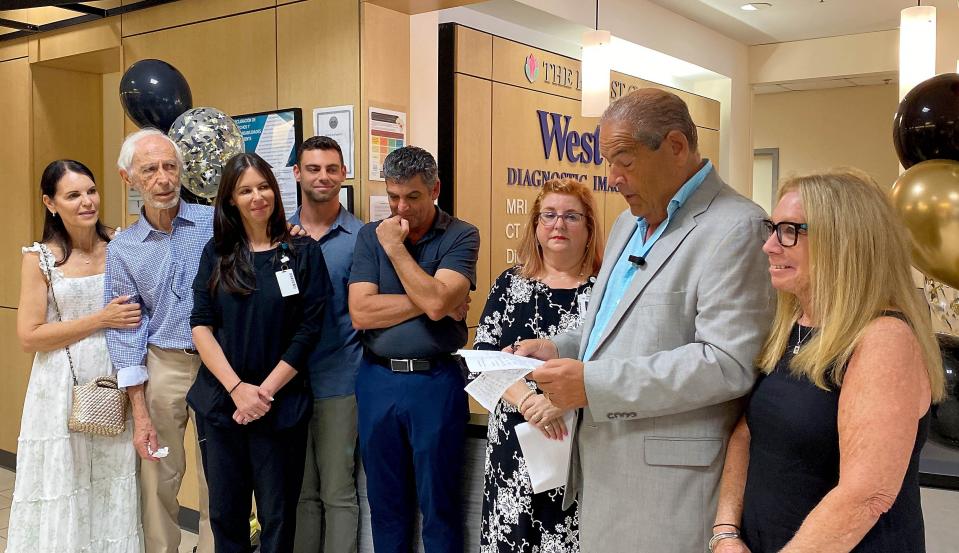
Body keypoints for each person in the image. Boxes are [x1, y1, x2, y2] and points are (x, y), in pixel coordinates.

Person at [515, 88, 775, 552]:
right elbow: (622, 330)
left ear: (676, 146)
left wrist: (591, 385)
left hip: (669, 491)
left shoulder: (737, 227)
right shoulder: (625, 226)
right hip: (603, 471)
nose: (612, 178)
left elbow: (727, 363)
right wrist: (563, 348)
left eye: (624, 161)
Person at [711, 169, 945, 553]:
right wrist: (725, 532)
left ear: (843, 242)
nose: (769, 245)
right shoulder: (792, 325)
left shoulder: (884, 339)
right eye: (773, 228)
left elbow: (865, 496)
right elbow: (748, 433)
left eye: (789, 231)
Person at [188, 152, 329, 553]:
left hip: (280, 407)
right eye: (245, 190)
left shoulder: (303, 253)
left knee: (278, 515)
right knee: (225, 515)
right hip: (222, 405)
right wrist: (237, 389)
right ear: (230, 199)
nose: (257, 196)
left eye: (264, 186)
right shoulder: (217, 253)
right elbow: (200, 324)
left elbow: (308, 331)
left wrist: (262, 393)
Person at [348, 146, 478, 553]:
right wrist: (430, 300)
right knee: (385, 502)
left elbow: (440, 304)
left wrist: (397, 250)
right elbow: (361, 312)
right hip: (377, 378)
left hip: (434, 380)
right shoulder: (370, 235)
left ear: (435, 189)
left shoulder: (461, 234)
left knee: (439, 503)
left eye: (413, 197)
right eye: (393, 197)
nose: (400, 208)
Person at [9, 159, 143, 552]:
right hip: (59, 385)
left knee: (112, 476)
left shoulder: (121, 243)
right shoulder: (40, 258)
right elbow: (29, 336)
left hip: (115, 376)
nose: (87, 202)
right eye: (73, 195)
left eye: (90, 191)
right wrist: (101, 318)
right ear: (51, 203)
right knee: (64, 478)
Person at [473, 177, 603, 552]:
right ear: (535, 226)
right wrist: (527, 402)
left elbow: (616, 361)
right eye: (549, 215)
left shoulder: (603, 292)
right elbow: (484, 355)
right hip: (514, 442)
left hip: (578, 444)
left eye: (571, 216)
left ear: (589, 227)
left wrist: (557, 402)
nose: (558, 225)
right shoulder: (509, 285)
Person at [105, 128, 214, 553]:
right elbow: (127, 327)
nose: (163, 178)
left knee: (219, 476)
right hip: (162, 365)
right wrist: (140, 410)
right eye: (150, 169)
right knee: (159, 479)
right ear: (128, 177)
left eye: (170, 167)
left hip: (217, 365)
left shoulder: (213, 223)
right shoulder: (125, 248)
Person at [288, 136, 363, 553]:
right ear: (297, 173)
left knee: (338, 492)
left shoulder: (361, 238)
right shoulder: (279, 235)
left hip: (341, 382)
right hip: (288, 384)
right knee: (301, 494)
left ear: (344, 174)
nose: (324, 177)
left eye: (332, 169)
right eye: (313, 169)